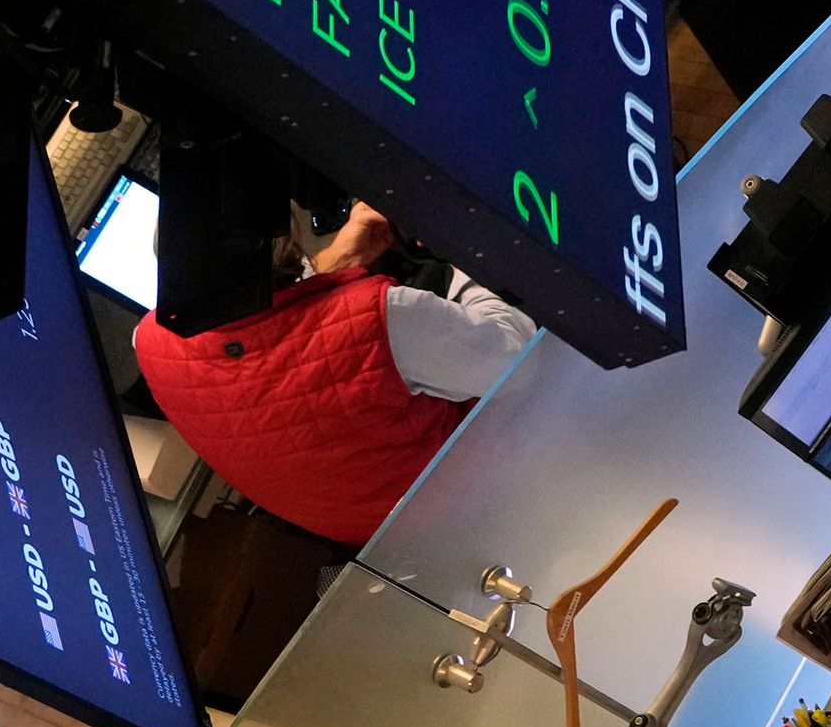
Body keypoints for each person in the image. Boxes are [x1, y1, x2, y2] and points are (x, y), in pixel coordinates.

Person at [132, 200, 537, 549]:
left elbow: (269, 336)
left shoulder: (149, 341)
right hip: (485, 502)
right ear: (285, 244)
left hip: (388, 538)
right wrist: (462, 257)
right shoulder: (380, 319)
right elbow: (516, 361)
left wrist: (333, 263)